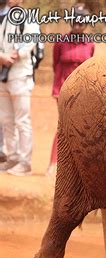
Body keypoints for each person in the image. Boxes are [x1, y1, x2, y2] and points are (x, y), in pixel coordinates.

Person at [46, 3, 95, 177]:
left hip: (82, 91)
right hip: (62, 89)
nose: (78, 24)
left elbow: (90, 67)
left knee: (80, 127)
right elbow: (55, 65)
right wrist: (59, 87)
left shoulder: (90, 44)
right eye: (75, 21)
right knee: (64, 125)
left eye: (82, 21)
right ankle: (53, 163)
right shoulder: (60, 42)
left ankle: (77, 169)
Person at [0, 0, 40, 175]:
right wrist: (2, 57)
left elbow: (30, 42)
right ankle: (13, 157)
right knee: (6, 119)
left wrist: (13, 56)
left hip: (20, 74)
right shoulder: (2, 17)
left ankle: (25, 162)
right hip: (3, 74)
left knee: (22, 120)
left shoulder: (28, 18)